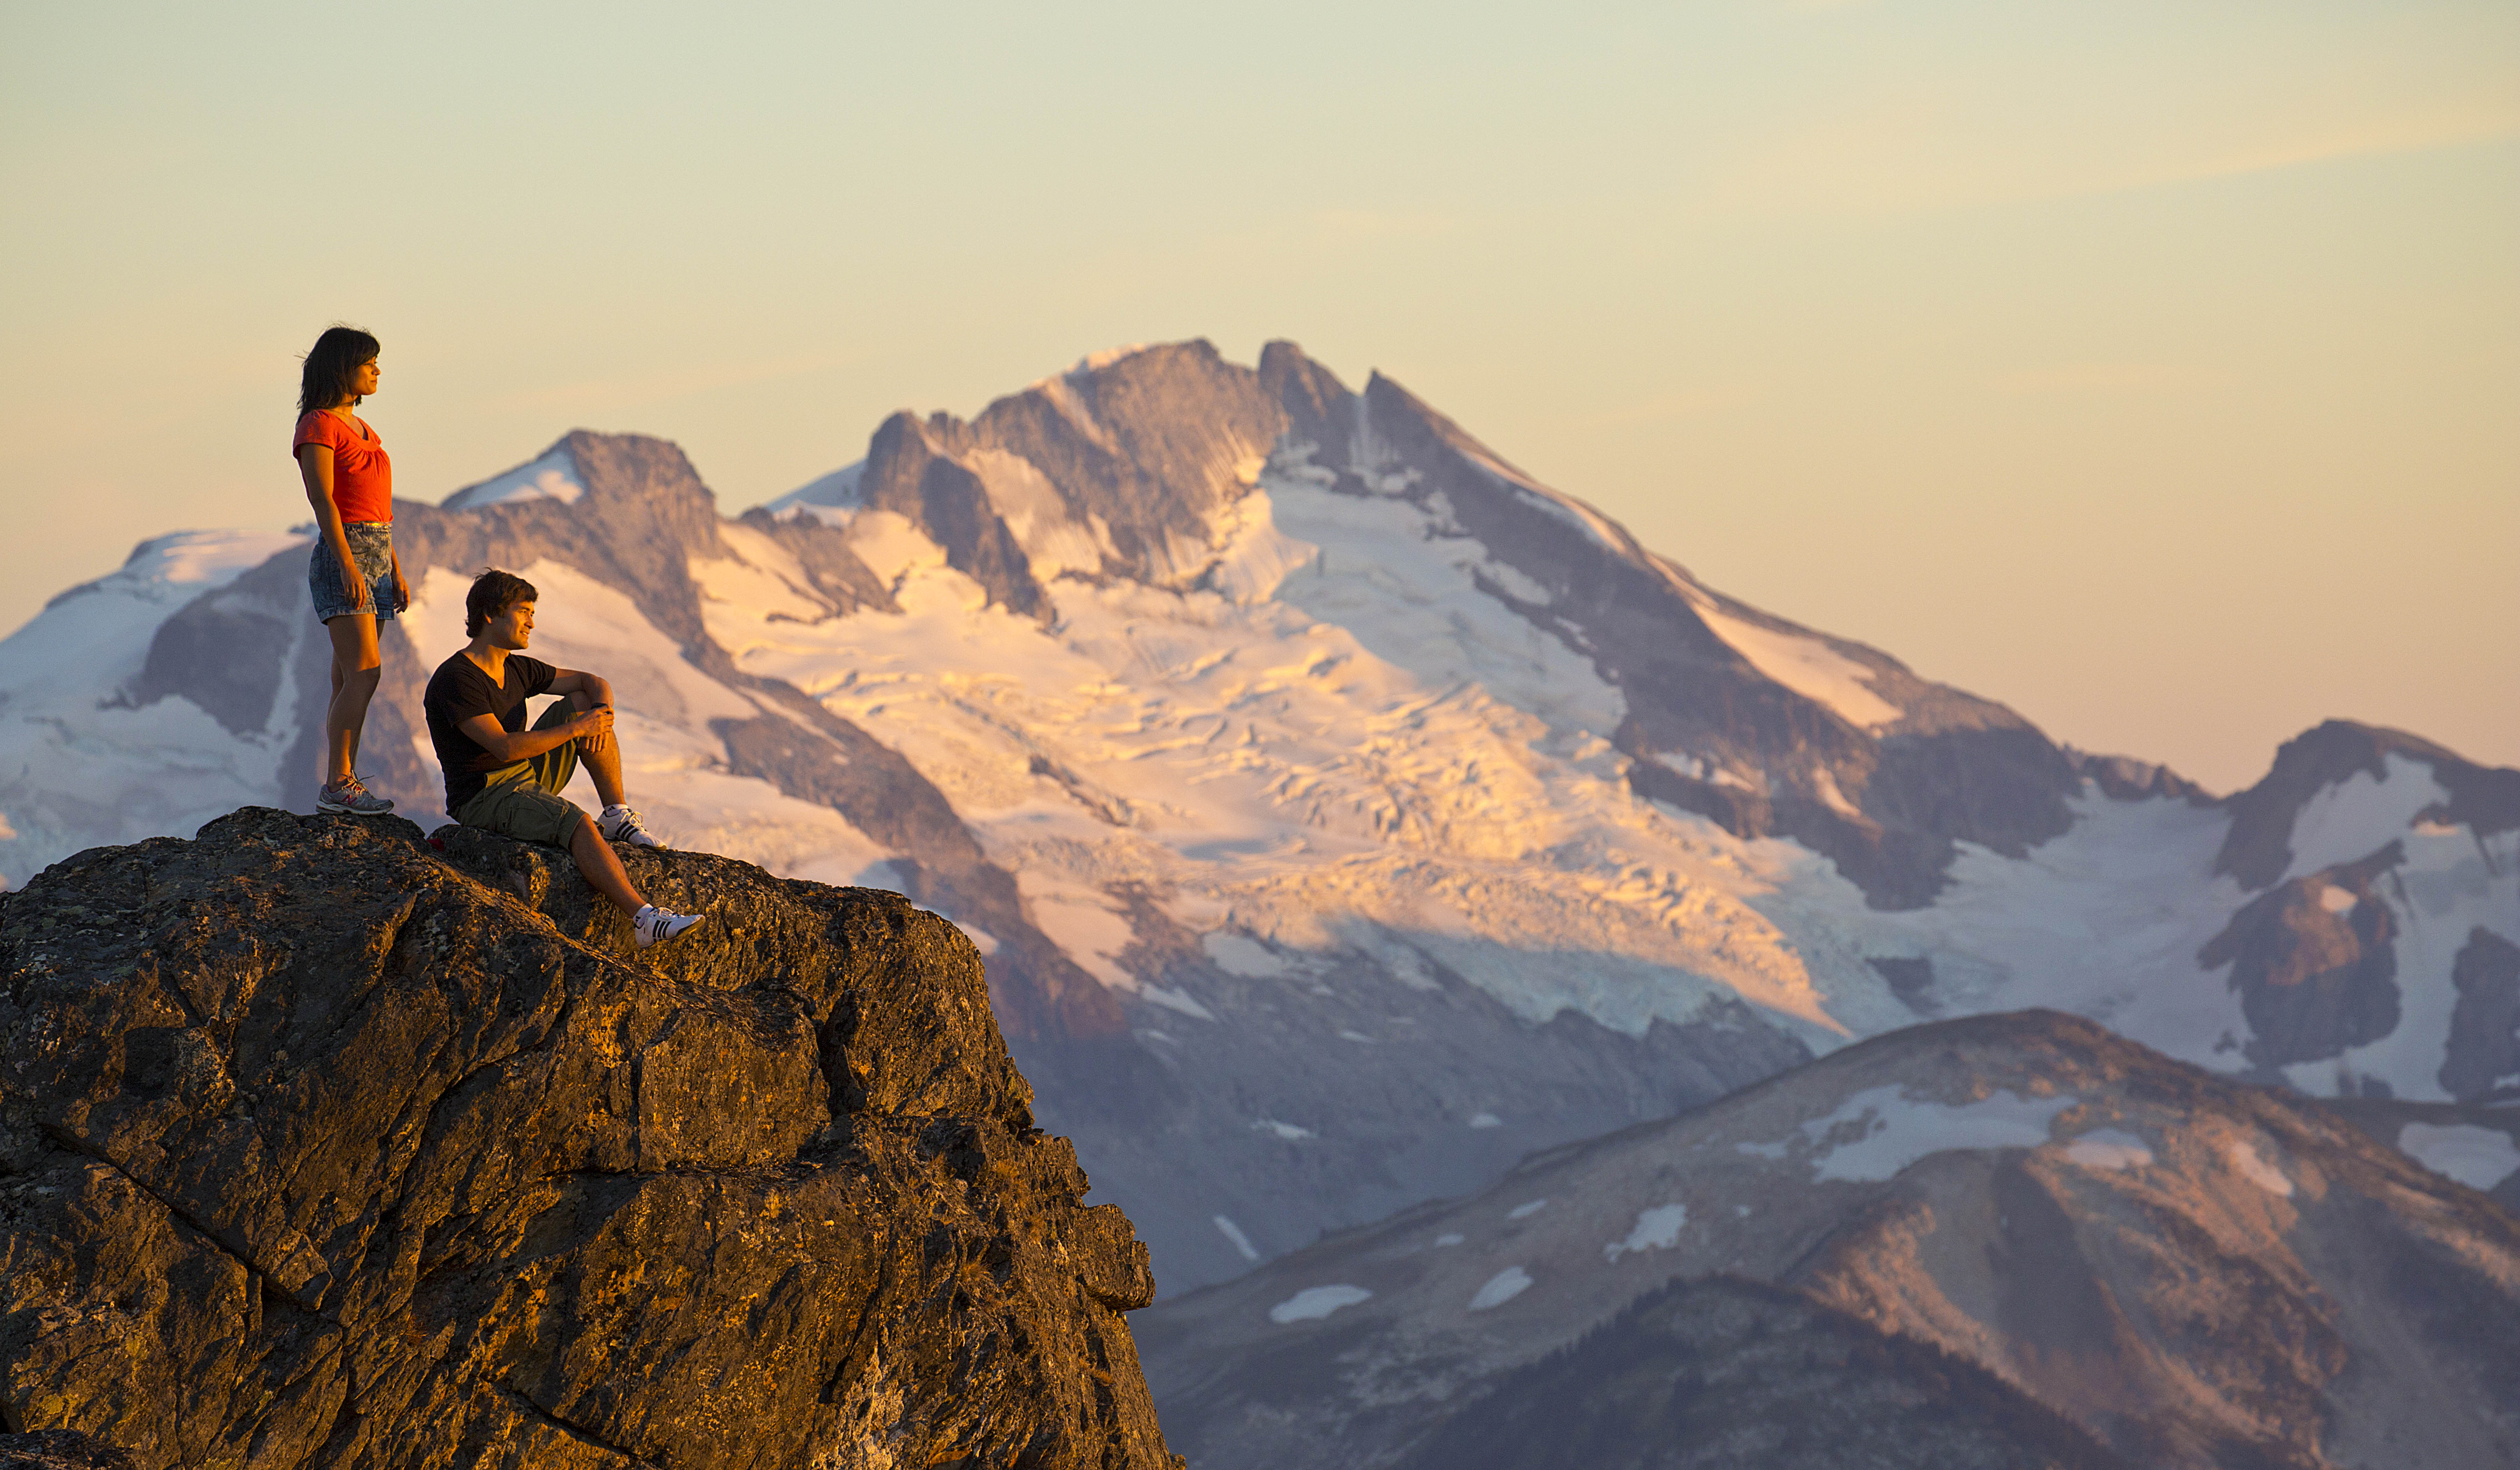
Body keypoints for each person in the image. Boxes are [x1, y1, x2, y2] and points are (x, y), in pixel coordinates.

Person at [422, 569, 705, 949]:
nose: (532, 624)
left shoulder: (516, 667)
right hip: (484, 795)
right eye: (524, 612)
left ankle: (617, 813)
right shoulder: (457, 679)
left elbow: (591, 682)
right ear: (491, 614)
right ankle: (644, 919)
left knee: (581, 704)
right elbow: (503, 748)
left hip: (524, 775)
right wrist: (579, 729)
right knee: (576, 822)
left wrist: (600, 713)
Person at [293, 324, 407, 817]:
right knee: (365, 671)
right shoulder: (319, 425)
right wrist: (346, 562)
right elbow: (323, 500)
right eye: (368, 363)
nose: (377, 370)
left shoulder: (366, 432)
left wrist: (394, 567)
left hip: (378, 552)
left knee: (350, 676)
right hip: (348, 552)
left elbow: (378, 508)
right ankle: (338, 782)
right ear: (343, 367)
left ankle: (344, 781)